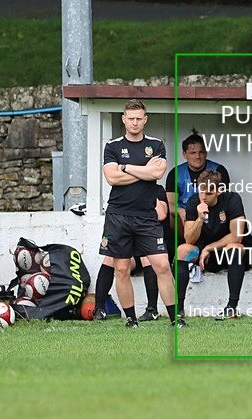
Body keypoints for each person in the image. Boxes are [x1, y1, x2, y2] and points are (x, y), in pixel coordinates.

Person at [99, 99, 183, 328]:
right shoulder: (112, 146)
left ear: (145, 120)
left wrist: (125, 167)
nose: (135, 123)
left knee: (163, 265)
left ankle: (176, 319)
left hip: (147, 216)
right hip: (118, 216)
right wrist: (144, 171)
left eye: (139, 118)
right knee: (122, 268)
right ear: (123, 119)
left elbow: (157, 173)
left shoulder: (156, 145)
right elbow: (111, 177)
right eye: (131, 118)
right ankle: (131, 320)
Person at [174, 170, 246, 321]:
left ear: (219, 191)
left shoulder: (232, 199)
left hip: (223, 250)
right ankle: (179, 309)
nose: (204, 197)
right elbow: (189, 239)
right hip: (201, 252)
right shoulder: (194, 202)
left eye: (209, 193)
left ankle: (232, 307)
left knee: (235, 248)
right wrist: (200, 218)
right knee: (182, 251)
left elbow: (237, 235)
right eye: (201, 191)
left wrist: (209, 247)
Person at [93, 184, 168, 322]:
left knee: (148, 259)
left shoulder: (157, 189)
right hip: (128, 247)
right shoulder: (123, 190)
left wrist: (146, 193)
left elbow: (162, 214)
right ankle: (99, 308)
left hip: (147, 244)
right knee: (110, 259)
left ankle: (152, 309)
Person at [166, 131, 230, 242]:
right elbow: (169, 203)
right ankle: (178, 247)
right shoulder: (175, 173)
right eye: (193, 152)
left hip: (212, 215)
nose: (198, 156)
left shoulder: (218, 170)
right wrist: (179, 211)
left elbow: (225, 200)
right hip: (186, 217)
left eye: (201, 152)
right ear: (184, 154)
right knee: (171, 217)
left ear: (206, 153)